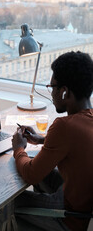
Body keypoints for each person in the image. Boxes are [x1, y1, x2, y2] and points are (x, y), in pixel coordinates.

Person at [12, 51, 93, 231]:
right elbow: (78, 144)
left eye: (52, 87)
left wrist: (18, 149)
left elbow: (31, 174)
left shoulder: (64, 126)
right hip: (82, 202)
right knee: (42, 169)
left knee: (6, 204)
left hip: (71, 217)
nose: (52, 92)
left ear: (64, 92)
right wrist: (42, 140)